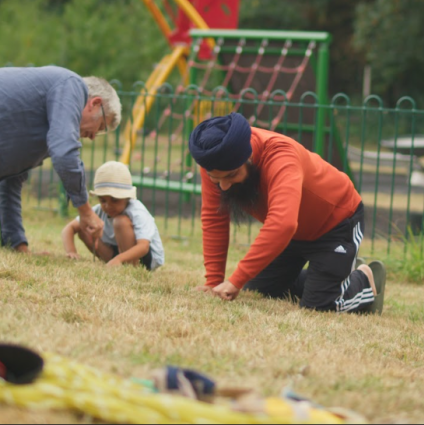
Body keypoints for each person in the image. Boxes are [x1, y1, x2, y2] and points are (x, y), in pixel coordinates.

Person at [188, 112, 386, 314]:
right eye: (215, 179)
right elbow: (215, 217)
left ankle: (362, 280)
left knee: (320, 307)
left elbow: (282, 224)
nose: (224, 186)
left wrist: (235, 279)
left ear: (249, 156)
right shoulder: (214, 160)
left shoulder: (281, 156)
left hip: (336, 224)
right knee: (262, 291)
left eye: (231, 175)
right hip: (293, 232)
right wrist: (213, 281)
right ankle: (333, 274)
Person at [0, 65, 122, 251]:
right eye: (100, 128)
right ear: (95, 103)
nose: (92, 137)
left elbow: (9, 186)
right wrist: (86, 212)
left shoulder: (48, 129)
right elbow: (65, 154)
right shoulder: (71, 85)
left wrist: (19, 246)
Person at [61, 161, 165, 270]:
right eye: (102, 200)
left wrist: (119, 259)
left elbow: (143, 246)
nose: (108, 206)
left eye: (115, 200)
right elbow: (69, 229)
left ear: (127, 197)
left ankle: (131, 267)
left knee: (120, 222)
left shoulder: (137, 211)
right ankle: (112, 264)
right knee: (84, 228)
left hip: (144, 258)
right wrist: (71, 252)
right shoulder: (99, 210)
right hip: (116, 252)